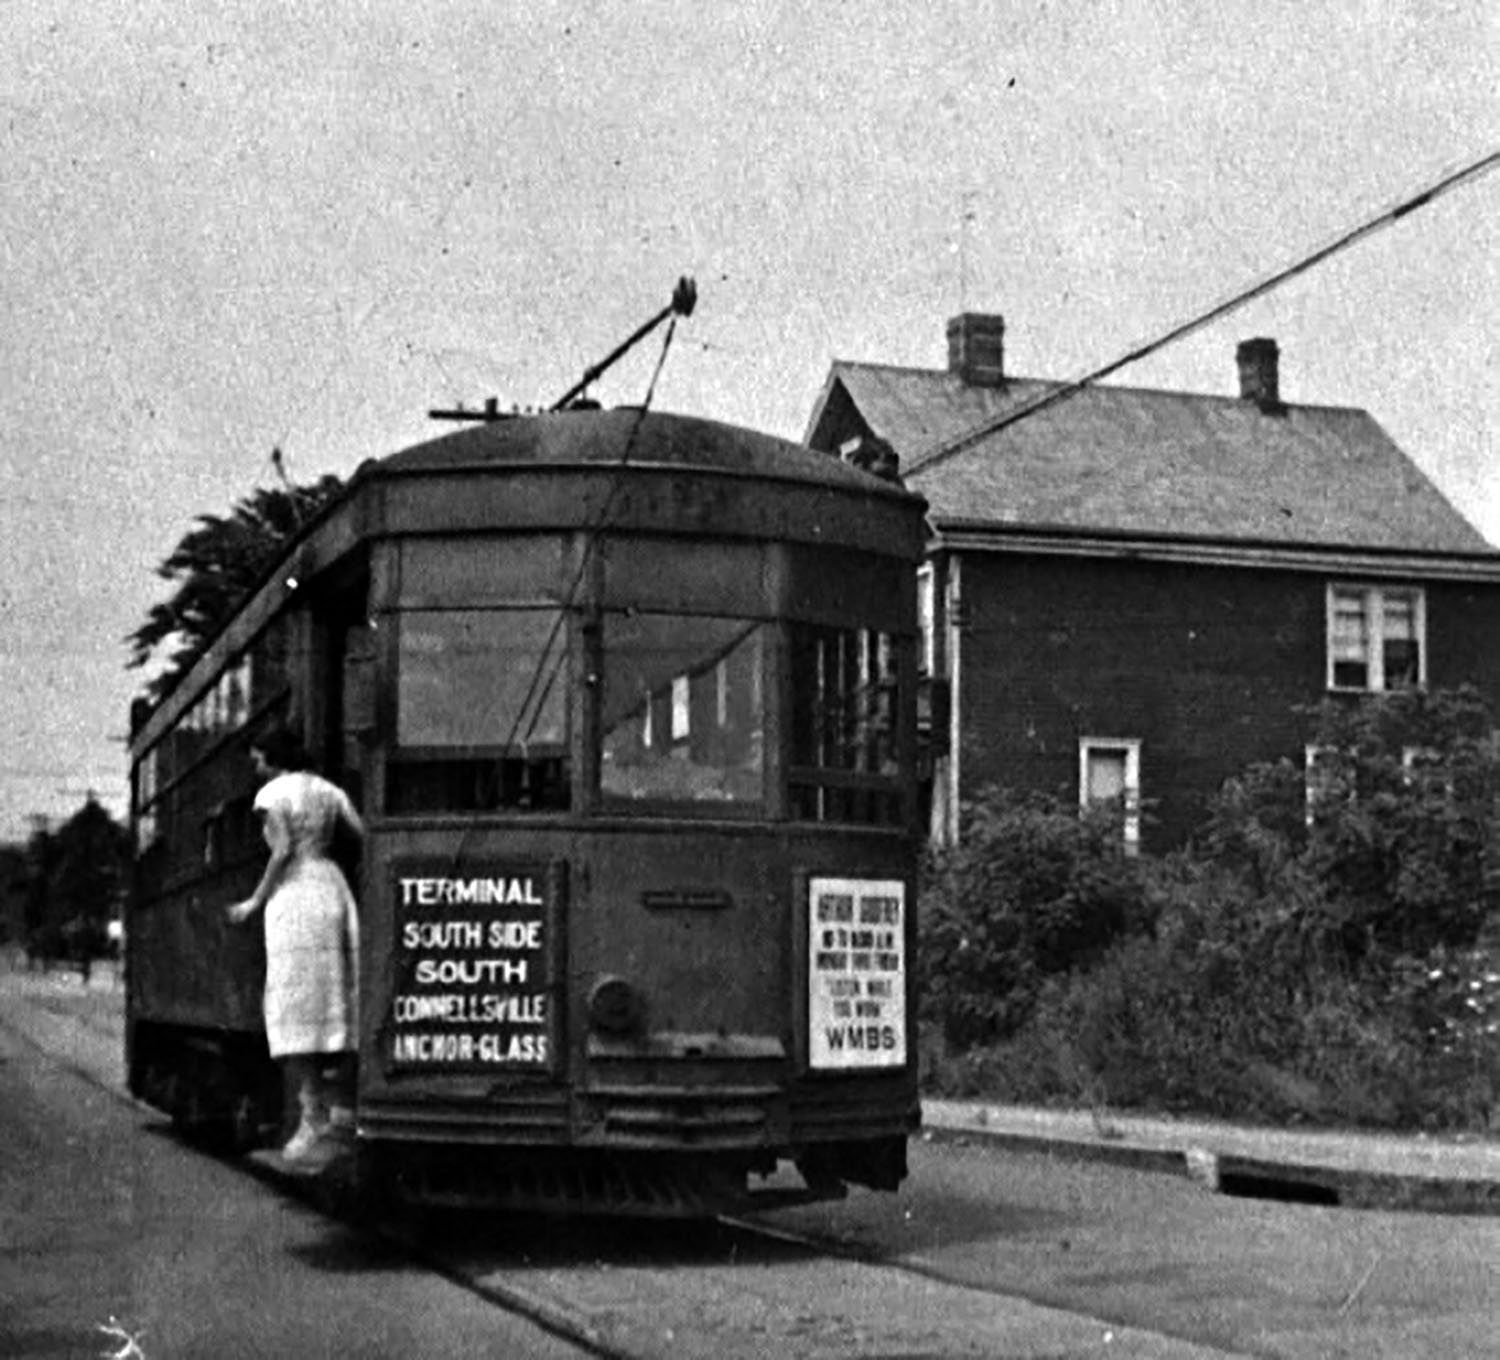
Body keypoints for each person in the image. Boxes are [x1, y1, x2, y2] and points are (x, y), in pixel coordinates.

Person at [227, 726, 363, 1166]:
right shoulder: (330, 791)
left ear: (271, 758)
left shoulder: (272, 794)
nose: (257, 768)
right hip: (333, 889)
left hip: (296, 898)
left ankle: (312, 1116)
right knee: (336, 996)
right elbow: (361, 836)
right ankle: (339, 1105)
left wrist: (255, 900)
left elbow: (282, 849)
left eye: (258, 759)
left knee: (294, 1004)